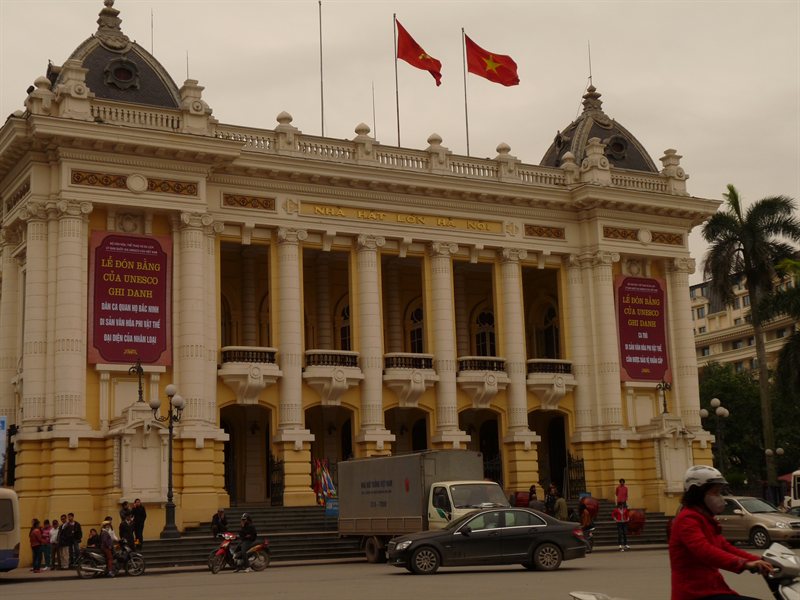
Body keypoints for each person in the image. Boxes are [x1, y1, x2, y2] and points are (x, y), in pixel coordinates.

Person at [669, 465, 773, 600]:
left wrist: (761, 560)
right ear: (697, 493)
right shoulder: (687, 519)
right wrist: (744, 563)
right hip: (694, 594)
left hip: (712, 590)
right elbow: (704, 550)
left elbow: (725, 547)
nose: (720, 497)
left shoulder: (705, 519)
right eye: (715, 492)